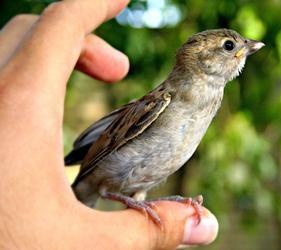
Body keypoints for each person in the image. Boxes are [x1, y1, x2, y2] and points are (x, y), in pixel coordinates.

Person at [0, 0, 218, 249]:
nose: (243, 50)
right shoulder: (162, 101)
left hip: (133, 188)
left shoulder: (208, 104)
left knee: (144, 203)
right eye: (229, 47)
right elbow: (107, 140)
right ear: (203, 60)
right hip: (97, 181)